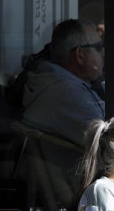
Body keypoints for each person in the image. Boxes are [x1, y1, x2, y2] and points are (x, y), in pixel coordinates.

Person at [21, 19, 106, 148]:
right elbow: (113, 144)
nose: (103, 53)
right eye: (99, 47)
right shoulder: (70, 94)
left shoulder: (50, 81)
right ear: (80, 55)